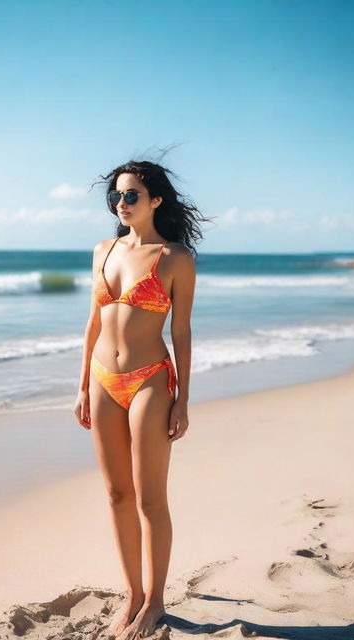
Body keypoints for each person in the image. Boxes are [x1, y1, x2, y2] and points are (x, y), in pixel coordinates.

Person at [74, 158, 209, 639]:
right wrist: (81, 384)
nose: (122, 203)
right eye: (117, 195)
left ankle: (155, 602)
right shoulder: (103, 250)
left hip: (152, 378)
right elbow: (94, 321)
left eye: (131, 195)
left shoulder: (175, 258)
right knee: (116, 494)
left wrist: (184, 399)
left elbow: (183, 330)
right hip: (103, 379)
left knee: (150, 497)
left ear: (156, 200)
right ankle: (132, 593)